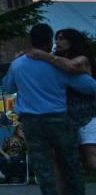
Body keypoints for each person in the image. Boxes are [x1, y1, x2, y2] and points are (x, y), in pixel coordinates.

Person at [3, 23, 96, 195]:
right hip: (58, 118)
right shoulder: (56, 64)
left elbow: (7, 87)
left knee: (44, 168)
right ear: (48, 41)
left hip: (31, 122)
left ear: (30, 41)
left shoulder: (18, 65)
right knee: (71, 164)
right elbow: (89, 87)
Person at [27, 28, 96, 174]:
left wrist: (45, 56)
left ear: (72, 41)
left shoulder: (82, 59)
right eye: (56, 38)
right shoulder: (53, 61)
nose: (57, 42)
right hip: (67, 116)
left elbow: (71, 66)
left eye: (62, 38)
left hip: (88, 115)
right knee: (70, 161)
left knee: (91, 157)